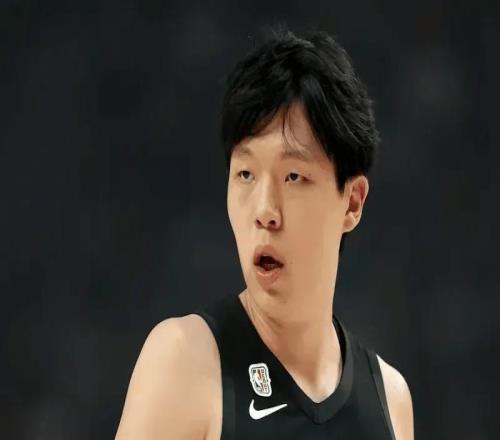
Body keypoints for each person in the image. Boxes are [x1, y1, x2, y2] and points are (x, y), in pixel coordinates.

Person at [115, 25, 414, 439]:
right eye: (246, 174)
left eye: (293, 177)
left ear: (352, 202)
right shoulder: (185, 362)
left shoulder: (390, 401)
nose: (265, 211)